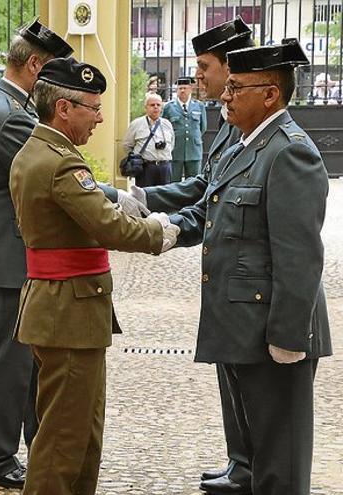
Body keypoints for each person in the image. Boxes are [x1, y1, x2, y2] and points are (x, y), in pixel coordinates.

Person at [10, 57, 179, 495]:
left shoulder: (37, 152)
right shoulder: (61, 163)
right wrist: (159, 233)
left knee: (82, 433)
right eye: (94, 107)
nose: (101, 117)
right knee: (64, 440)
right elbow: (111, 227)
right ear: (64, 108)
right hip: (68, 312)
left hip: (64, 308)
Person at [170, 38, 331, 495]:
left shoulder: (290, 152)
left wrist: (286, 338)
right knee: (259, 456)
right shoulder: (246, 146)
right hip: (244, 326)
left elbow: (299, 259)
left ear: (270, 94)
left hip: (272, 333)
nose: (224, 94)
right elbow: (210, 212)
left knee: (279, 464)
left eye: (236, 87)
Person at [130, 18, 257, 492]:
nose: (197, 77)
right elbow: (205, 189)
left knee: (249, 380)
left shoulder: (259, 132)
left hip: (249, 284)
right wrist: (144, 201)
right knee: (231, 374)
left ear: (232, 68)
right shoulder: (227, 123)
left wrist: (157, 223)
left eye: (204, 67)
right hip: (227, 281)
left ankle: (248, 466)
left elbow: (208, 197)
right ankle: (241, 462)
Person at [0, 18, 76, 490]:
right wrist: (116, 200)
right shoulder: (11, 114)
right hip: (9, 252)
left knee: (25, 359)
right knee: (9, 361)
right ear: (34, 64)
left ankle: (23, 451)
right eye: (53, 72)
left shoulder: (7, 104)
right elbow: (54, 176)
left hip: (11, 249)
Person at [122, 93, 175, 186]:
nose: (155, 107)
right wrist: (137, 159)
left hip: (165, 167)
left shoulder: (167, 124)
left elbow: (172, 144)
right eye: (152, 105)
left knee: (165, 198)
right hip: (146, 168)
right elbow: (127, 145)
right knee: (144, 197)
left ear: (161, 107)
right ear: (146, 107)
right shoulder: (136, 124)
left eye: (158, 105)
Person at [163, 77, 206, 181]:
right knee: (173, 182)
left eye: (185, 88)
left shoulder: (199, 106)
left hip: (193, 150)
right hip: (175, 150)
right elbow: (164, 127)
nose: (182, 90)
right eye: (180, 88)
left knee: (194, 183)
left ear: (190, 89)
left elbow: (203, 127)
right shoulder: (169, 107)